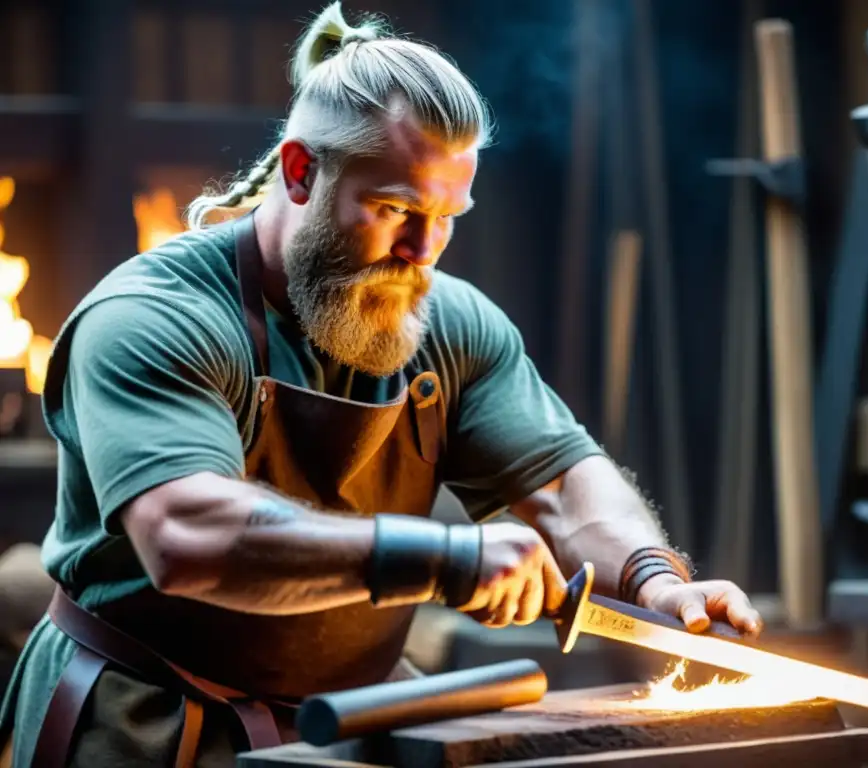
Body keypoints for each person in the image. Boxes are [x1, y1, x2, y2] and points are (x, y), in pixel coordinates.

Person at [0, 3, 763, 766]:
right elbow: (187, 535)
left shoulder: (451, 324)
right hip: (148, 721)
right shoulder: (151, 318)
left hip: (351, 714)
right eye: (396, 208)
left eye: (447, 215)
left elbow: (563, 488)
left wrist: (655, 582)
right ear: (301, 172)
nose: (423, 249)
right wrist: (441, 559)